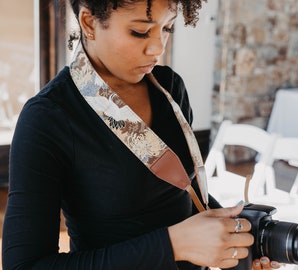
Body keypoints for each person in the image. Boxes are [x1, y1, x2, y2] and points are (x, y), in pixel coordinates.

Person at [2, 0, 280, 269]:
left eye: (167, 28)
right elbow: (25, 265)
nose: (157, 48)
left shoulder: (169, 88)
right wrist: (173, 246)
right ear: (89, 22)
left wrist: (235, 243)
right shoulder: (48, 118)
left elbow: (182, 195)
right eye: (140, 31)